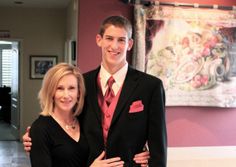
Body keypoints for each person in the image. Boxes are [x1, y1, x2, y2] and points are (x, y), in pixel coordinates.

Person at [24, 15, 167, 166]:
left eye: (121, 40)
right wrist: (35, 139)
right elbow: (61, 120)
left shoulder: (151, 86)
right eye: (109, 38)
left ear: (130, 44)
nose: (115, 46)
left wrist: (151, 159)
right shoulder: (81, 83)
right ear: (99, 40)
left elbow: (159, 146)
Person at [29, 63, 125, 167]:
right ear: (51, 92)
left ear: (79, 92)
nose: (66, 95)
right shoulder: (40, 128)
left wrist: (141, 150)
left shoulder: (83, 120)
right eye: (60, 88)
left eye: (71, 88)